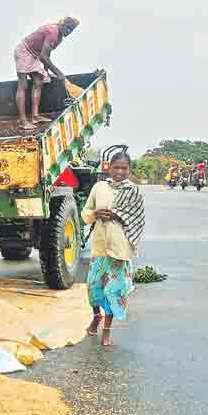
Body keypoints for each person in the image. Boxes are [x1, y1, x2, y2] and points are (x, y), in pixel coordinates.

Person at [81, 149, 146, 347]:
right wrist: (96, 213)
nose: (119, 172)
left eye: (124, 168)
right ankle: (96, 317)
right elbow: (86, 211)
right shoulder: (99, 187)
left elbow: (137, 219)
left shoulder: (133, 190)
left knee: (113, 290)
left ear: (129, 169)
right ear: (108, 168)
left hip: (120, 248)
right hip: (100, 246)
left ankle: (107, 331)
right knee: (93, 286)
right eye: (116, 167)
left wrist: (116, 215)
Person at [14, 17, 80, 131]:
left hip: (34, 55)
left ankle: (35, 117)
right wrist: (59, 73)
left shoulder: (59, 38)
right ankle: (23, 121)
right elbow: (43, 56)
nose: (68, 32)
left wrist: (46, 72)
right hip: (24, 51)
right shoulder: (52, 32)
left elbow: (46, 54)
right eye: (67, 28)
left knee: (38, 82)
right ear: (62, 24)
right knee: (23, 85)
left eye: (71, 30)